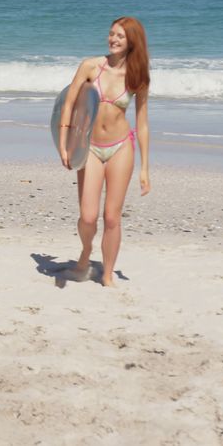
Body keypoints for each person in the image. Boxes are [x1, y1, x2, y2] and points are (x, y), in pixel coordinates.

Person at [57, 16, 151, 287]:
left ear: (132, 41)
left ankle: (108, 274)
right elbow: (68, 104)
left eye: (120, 36)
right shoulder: (90, 66)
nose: (113, 39)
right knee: (88, 216)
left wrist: (145, 168)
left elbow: (142, 124)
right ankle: (86, 251)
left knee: (112, 216)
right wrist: (64, 144)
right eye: (111, 34)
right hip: (91, 148)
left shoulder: (137, 76)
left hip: (121, 147)